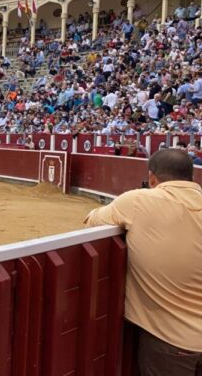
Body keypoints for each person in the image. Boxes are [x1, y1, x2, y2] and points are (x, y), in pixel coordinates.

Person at [85, 149, 202, 375]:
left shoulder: (138, 201)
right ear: (192, 177)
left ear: (152, 177)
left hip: (171, 340)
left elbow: (92, 221)